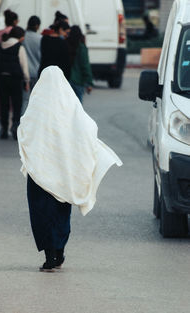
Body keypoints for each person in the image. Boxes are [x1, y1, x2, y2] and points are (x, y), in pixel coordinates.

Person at [17, 66, 122, 272]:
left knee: (41, 213)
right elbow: (87, 128)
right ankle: (59, 251)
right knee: (60, 213)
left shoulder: (37, 105)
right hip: (64, 174)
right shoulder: (71, 106)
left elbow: (24, 129)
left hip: (39, 173)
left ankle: (49, 255)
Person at [0, 27, 30, 140]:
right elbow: (24, 66)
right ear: (19, 37)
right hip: (15, 79)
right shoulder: (19, 47)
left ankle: (4, 128)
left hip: (2, 79)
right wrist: (27, 81)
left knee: (4, 104)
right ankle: (15, 127)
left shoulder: (0, 46)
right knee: (17, 104)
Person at [0, 10, 19, 115]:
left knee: (1, 102)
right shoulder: (17, 33)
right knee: (15, 103)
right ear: (15, 21)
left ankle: (3, 126)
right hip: (15, 74)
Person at [67, 25, 93, 103]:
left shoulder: (66, 45)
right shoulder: (81, 48)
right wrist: (89, 83)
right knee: (77, 109)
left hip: (67, 80)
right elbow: (85, 66)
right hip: (78, 81)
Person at [22, 15, 41, 114]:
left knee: (24, 100)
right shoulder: (40, 39)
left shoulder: (23, 37)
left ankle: (21, 124)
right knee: (35, 101)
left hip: (24, 73)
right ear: (37, 26)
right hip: (36, 72)